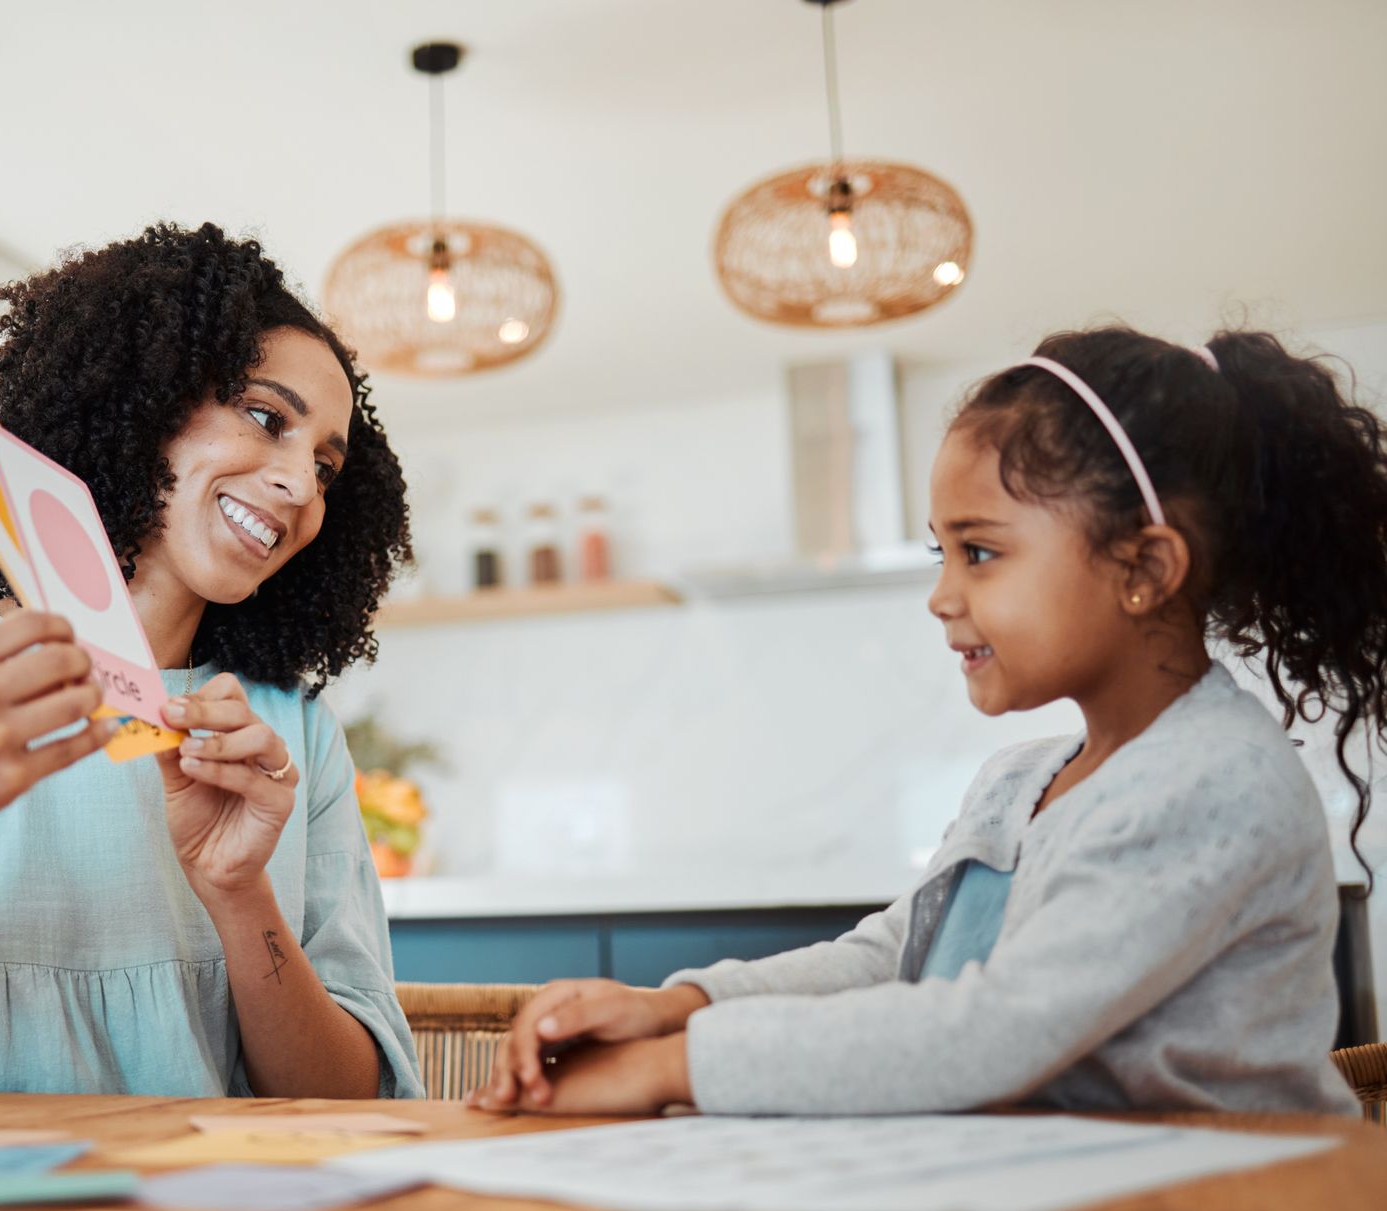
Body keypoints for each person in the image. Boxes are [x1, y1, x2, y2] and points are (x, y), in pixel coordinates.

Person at [477, 326, 1381, 1117]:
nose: (942, 596)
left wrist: (671, 1068)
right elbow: (895, 956)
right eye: (939, 551)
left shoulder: (1215, 781)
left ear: (1144, 565)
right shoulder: (1020, 781)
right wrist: (681, 1005)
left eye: (980, 552)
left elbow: (995, 1030)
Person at [0, 222, 423, 1099]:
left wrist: (240, 896)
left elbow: (348, 1102)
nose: (302, 485)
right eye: (266, 417)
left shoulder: (290, 745)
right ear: (146, 396)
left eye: (326, 464)